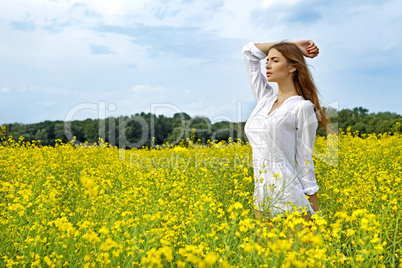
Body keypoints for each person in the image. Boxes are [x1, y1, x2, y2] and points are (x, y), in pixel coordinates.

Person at [243, 40, 333, 222]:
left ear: (292, 67)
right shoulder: (264, 99)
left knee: (302, 251)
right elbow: (249, 52)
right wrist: (292, 45)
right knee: (264, 251)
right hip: (261, 200)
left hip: (290, 201)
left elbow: (304, 162)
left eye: (275, 60)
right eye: (267, 60)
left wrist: (316, 215)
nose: (267, 65)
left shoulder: (303, 107)